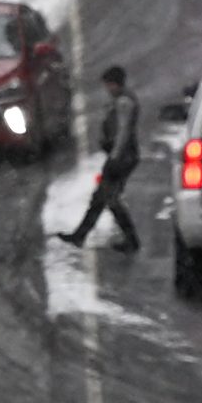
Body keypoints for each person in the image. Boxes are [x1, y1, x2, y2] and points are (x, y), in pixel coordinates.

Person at [60, 60, 149, 257]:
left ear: (116, 84)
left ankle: (131, 240)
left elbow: (123, 133)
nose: (107, 89)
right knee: (102, 198)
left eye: (108, 84)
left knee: (110, 199)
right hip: (122, 157)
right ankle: (80, 235)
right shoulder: (119, 100)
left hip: (122, 158)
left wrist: (115, 157)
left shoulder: (124, 102)